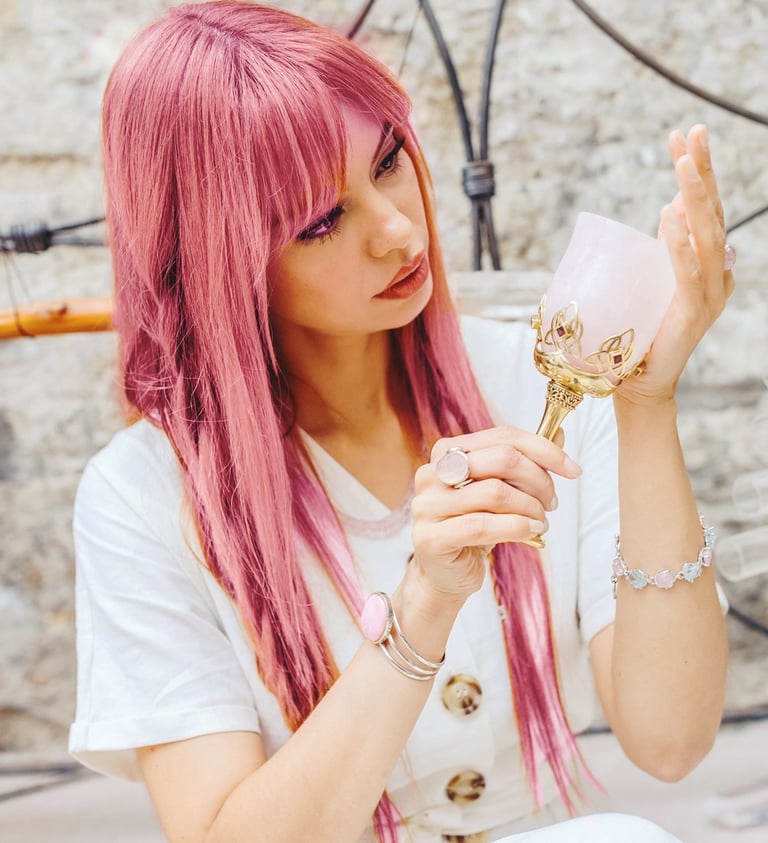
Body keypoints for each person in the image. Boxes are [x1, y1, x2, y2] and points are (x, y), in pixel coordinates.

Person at [68, 2, 732, 841]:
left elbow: (671, 739)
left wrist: (645, 406)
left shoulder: (539, 385)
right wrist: (422, 605)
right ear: (218, 264)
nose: (396, 227)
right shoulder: (143, 495)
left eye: (387, 160)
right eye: (321, 221)